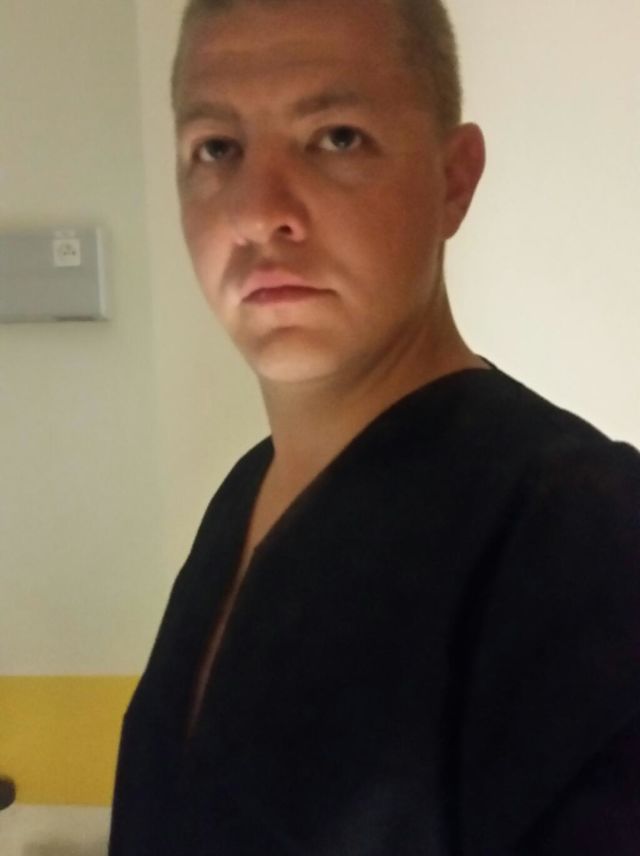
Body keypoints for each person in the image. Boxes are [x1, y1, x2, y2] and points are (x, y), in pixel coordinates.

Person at [109, 0, 640, 853]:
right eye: (217, 149)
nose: (258, 212)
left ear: (453, 180)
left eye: (336, 138)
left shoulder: (582, 531)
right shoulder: (242, 502)